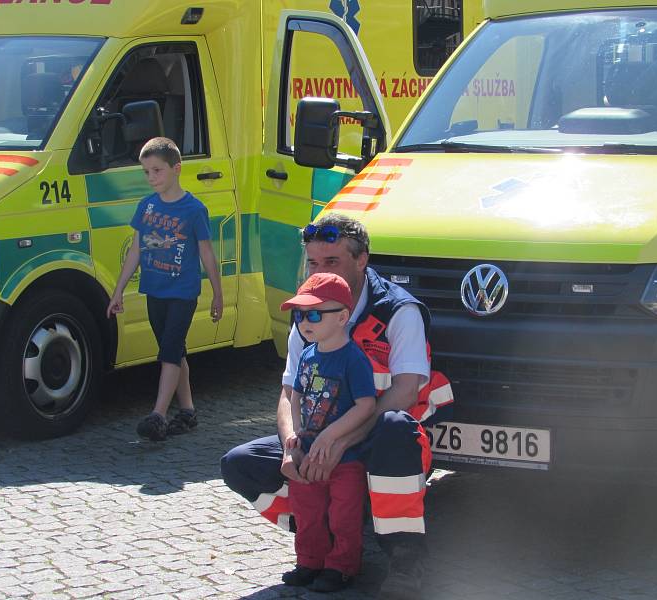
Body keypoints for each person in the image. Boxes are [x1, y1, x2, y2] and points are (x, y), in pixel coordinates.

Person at [221, 213, 454, 599]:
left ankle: (405, 556)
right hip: (323, 436)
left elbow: (405, 392)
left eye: (333, 262)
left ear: (362, 260)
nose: (320, 271)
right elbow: (287, 392)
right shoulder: (307, 311)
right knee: (239, 463)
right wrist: (291, 445)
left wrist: (341, 441)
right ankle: (325, 541)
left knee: (395, 426)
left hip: (384, 437)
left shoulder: (398, 310)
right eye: (313, 262)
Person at [107, 136, 223, 441]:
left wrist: (217, 294)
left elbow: (207, 253)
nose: (151, 178)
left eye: (157, 170)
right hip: (154, 290)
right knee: (176, 352)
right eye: (146, 172)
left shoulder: (193, 209)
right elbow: (135, 250)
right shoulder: (145, 207)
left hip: (182, 292)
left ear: (176, 169)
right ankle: (187, 411)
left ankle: (158, 415)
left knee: (168, 353)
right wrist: (118, 291)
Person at [279, 272, 376, 592]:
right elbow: (294, 395)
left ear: (343, 317)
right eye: (300, 315)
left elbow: (366, 405)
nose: (305, 322)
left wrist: (331, 435)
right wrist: (293, 434)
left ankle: (342, 566)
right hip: (307, 452)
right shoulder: (307, 353)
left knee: (342, 516)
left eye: (315, 314)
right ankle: (309, 561)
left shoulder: (354, 359)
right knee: (307, 512)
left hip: (345, 458)